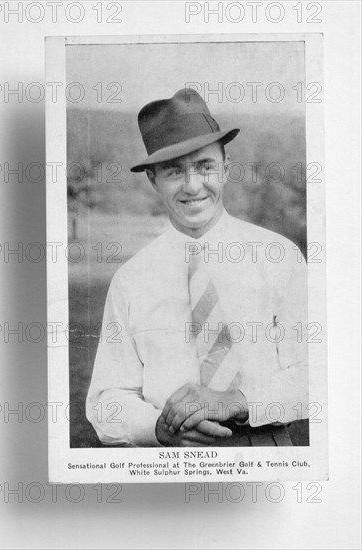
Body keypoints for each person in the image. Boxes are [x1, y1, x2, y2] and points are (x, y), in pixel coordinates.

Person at [86, 88, 309, 447]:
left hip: (263, 448)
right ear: (152, 179)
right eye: (174, 171)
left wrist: (235, 402)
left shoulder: (278, 257)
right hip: (170, 459)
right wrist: (156, 427)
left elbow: (317, 374)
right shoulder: (131, 280)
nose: (192, 186)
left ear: (226, 168)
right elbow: (106, 400)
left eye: (205, 166)